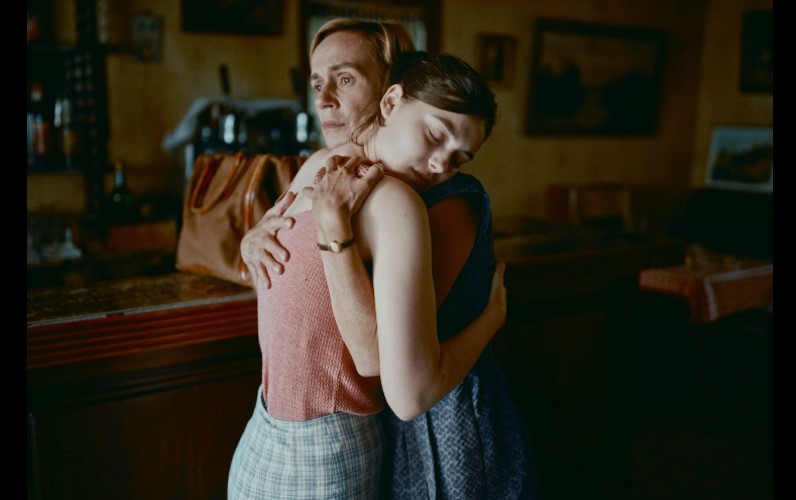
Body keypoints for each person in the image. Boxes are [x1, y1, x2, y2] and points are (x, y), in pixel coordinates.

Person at [235, 19, 539, 499]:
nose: (440, 164)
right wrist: (248, 245)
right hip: (278, 435)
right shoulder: (339, 173)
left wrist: (328, 231)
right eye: (435, 134)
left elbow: (388, 373)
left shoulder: (367, 186)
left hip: (303, 440)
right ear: (392, 102)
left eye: (459, 158)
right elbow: (278, 283)